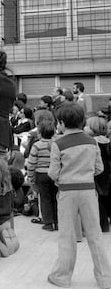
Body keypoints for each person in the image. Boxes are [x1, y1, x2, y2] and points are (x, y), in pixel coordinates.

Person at [47, 103, 111, 289]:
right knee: (95, 235)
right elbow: (99, 168)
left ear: (61, 123)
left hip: (67, 192)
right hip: (88, 190)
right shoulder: (92, 142)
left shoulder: (57, 144)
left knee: (67, 235)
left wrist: (62, 178)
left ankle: (62, 277)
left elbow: (52, 172)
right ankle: (105, 279)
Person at [27, 121, 58, 232]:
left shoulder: (37, 145)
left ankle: (48, 223)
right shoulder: (56, 144)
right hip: (54, 173)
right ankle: (57, 221)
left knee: (45, 199)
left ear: (39, 133)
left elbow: (31, 163)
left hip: (41, 174)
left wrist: (31, 177)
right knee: (55, 197)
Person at [84, 116, 111, 233]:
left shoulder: (92, 142)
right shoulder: (107, 141)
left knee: (98, 200)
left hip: (97, 173)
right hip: (107, 173)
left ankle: (102, 224)